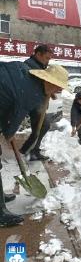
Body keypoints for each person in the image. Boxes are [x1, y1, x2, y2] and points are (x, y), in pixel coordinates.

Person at [0, 62, 68, 227]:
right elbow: (15, 117)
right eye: (58, 86)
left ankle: (0, 197)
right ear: (48, 80)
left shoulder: (26, 72)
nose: (60, 90)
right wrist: (7, 134)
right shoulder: (31, 93)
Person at [20, 44, 53, 161]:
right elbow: (32, 85)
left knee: (40, 127)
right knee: (42, 126)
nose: (48, 61)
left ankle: (30, 150)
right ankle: (29, 150)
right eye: (46, 58)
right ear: (38, 54)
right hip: (33, 102)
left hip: (38, 101)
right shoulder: (30, 66)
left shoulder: (40, 65)